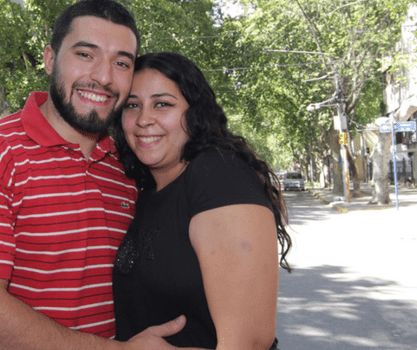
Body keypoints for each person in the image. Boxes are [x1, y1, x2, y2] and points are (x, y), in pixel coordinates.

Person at [0, 0, 201, 350]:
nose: (104, 77)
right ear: (50, 59)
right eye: (85, 54)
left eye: (121, 62)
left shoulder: (130, 163)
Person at [112, 52, 292, 350]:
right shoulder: (146, 192)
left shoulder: (218, 175)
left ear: (195, 113)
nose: (144, 119)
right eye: (133, 105)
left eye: (163, 104)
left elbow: (250, 342)